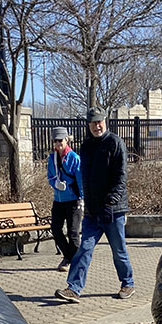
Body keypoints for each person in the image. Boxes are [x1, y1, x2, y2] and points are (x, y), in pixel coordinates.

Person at [55, 108, 134, 303]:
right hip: (92, 212)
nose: (97, 126)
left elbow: (120, 177)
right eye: (93, 123)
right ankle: (73, 288)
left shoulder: (115, 143)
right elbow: (86, 179)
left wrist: (111, 202)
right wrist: (85, 201)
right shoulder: (86, 146)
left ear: (105, 121)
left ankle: (127, 282)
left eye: (100, 122)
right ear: (88, 125)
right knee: (84, 249)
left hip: (113, 211)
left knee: (119, 250)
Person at [46, 127, 82, 272]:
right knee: (55, 228)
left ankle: (72, 260)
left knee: (73, 232)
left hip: (73, 200)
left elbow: (80, 180)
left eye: (60, 140)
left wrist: (83, 199)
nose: (58, 143)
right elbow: (50, 176)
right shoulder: (52, 158)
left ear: (66, 140)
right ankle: (69, 256)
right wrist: (55, 184)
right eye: (55, 141)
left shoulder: (75, 158)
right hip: (59, 200)